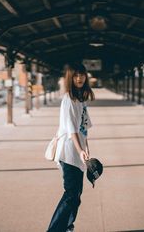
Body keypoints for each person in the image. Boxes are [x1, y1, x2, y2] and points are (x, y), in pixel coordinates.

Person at [47, 63, 95, 232]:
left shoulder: (81, 99)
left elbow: (84, 127)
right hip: (68, 153)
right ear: (70, 78)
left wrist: (86, 148)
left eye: (82, 75)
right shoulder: (69, 99)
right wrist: (80, 149)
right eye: (75, 75)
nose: (79, 78)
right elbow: (71, 130)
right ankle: (55, 229)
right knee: (70, 194)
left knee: (76, 195)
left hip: (78, 153)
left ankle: (67, 226)